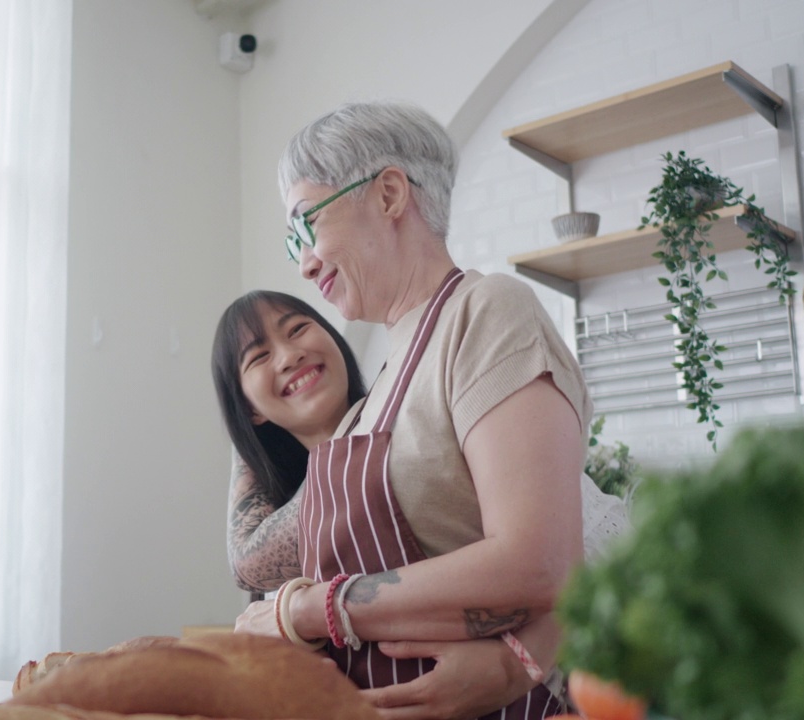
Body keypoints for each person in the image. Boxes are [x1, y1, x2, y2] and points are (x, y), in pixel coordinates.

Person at [224, 100, 601, 720]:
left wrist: (309, 608)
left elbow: (541, 562)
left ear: (390, 194)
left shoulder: (486, 313)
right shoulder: (369, 400)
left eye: (306, 226)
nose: (304, 261)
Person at [211, 290, 628, 719]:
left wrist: (516, 661)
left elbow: (572, 557)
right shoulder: (283, 544)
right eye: (258, 358)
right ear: (248, 408)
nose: (288, 356)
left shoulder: (430, 434)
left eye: (298, 329)